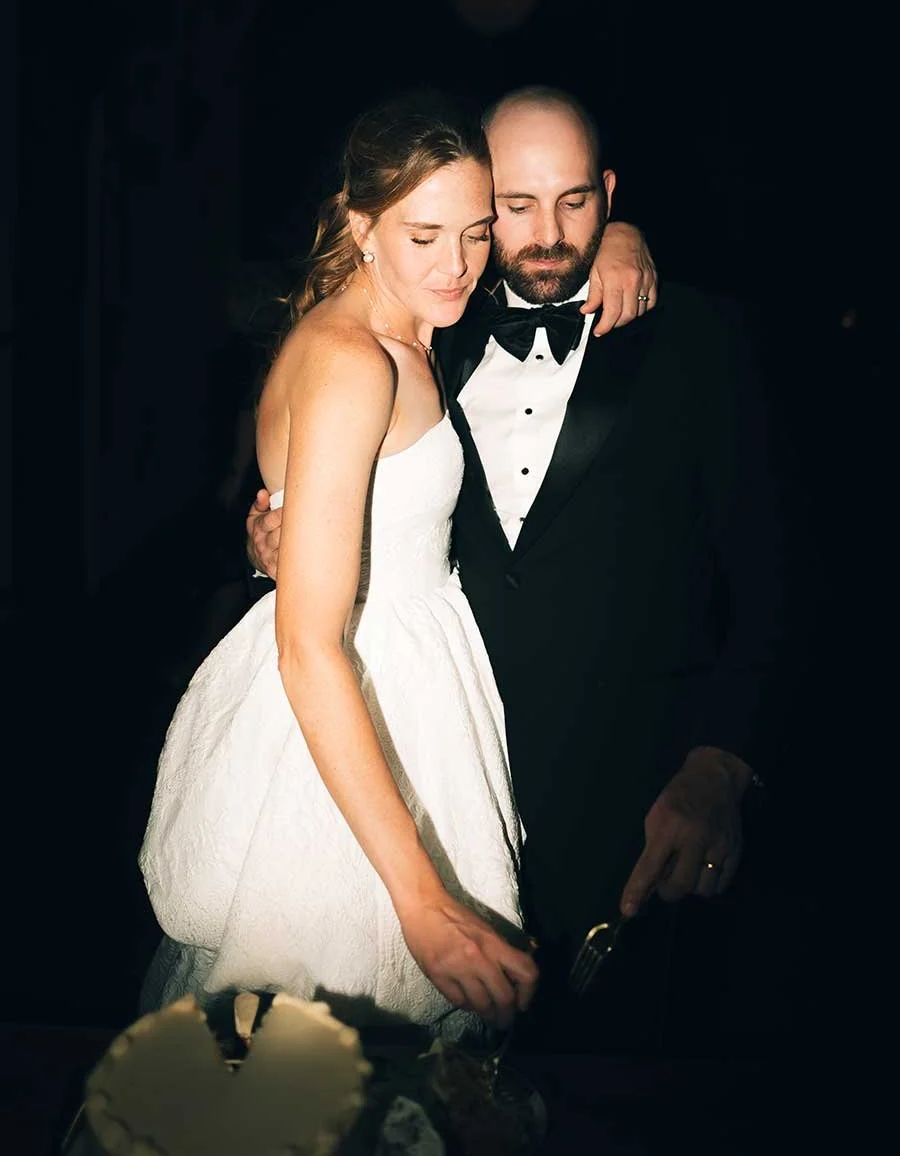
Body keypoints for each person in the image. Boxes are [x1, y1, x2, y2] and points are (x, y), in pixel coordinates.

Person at [249, 85, 792, 1053]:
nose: (545, 235)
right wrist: (280, 543)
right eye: (515, 206)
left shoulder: (705, 339)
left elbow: (779, 578)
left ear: (610, 196)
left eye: (575, 202)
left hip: (637, 814)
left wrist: (720, 764)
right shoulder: (430, 321)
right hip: (426, 778)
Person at [137, 88, 541, 1041]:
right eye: (424, 235)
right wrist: (421, 900)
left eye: (476, 232)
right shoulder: (356, 359)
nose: (457, 265)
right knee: (315, 1048)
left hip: (406, 677)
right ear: (361, 226)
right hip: (345, 704)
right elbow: (310, 646)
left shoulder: (399, 320)